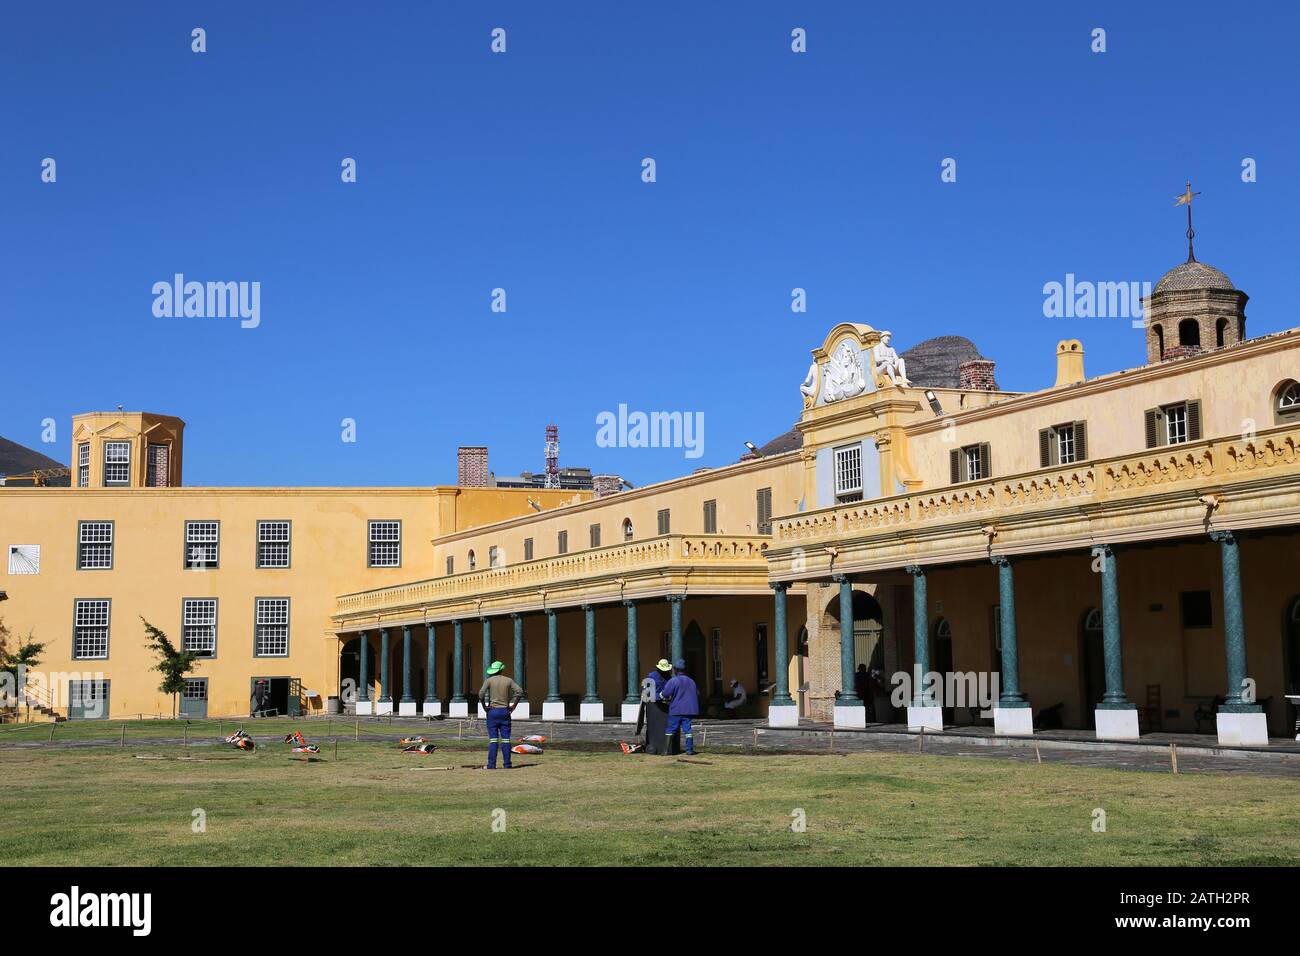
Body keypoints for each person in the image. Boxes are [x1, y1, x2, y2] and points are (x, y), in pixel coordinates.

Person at [477, 660, 524, 769]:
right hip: (505, 712)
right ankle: (507, 764)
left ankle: (491, 765)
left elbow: (481, 694)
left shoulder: (489, 680)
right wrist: (514, 706)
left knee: (493, 739)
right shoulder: (508, 680)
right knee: (506, 739)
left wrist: (484, 707)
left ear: (492, 671)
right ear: (502, 669)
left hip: (492, 712)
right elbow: (520, 691)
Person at [660, 659, 700, 756]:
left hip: (676, 709)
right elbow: (697, 693)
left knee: (670, 729)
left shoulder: (673, 681)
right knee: (688, 730)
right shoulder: (691, 681)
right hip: (689, 710)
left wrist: (660, 695)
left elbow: (665, 694)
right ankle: (689, 750)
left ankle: (665, 751)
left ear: (675, 669)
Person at [639, 659, 673, 754]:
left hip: (665, 705)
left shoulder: (669, 677)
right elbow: (647, 693)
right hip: (653, 705)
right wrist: (660, 696)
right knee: (652, 726)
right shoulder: (651, 677)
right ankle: (650, 745)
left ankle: (664, 746)